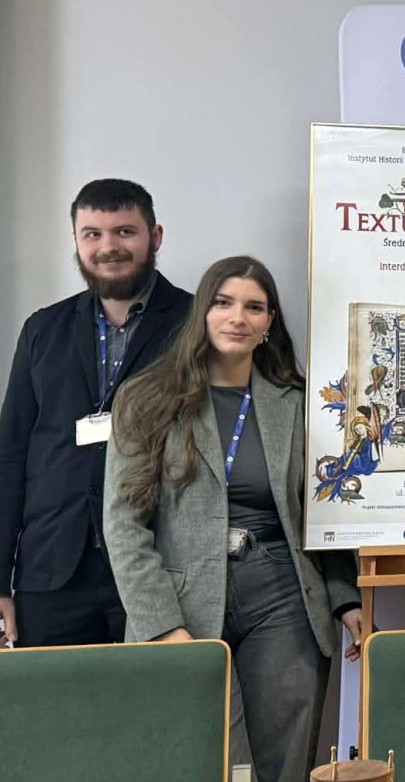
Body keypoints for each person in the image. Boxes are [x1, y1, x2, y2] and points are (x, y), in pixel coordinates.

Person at [103, 256, 362, 782]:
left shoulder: (297, 404)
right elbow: (123, 524)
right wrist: (161, 625)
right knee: (199, 757)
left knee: (285, 758)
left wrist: (345, 597)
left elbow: (322, 508)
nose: (237, 317)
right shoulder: (145, 399)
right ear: (202, 311)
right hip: (183, 597)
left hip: (283, 595)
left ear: (269, 324)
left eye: (254, 307)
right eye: (223, 303)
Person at [0, 178, 192, 647]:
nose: (108, 247)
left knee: (158, 697)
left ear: (155, 237)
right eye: (93, 234)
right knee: (54, 697)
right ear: (76, 241)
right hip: (51, 572)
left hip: (159, 568)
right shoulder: (42, 329)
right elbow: (10, 456)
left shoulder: (194, 324)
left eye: (125, 231)